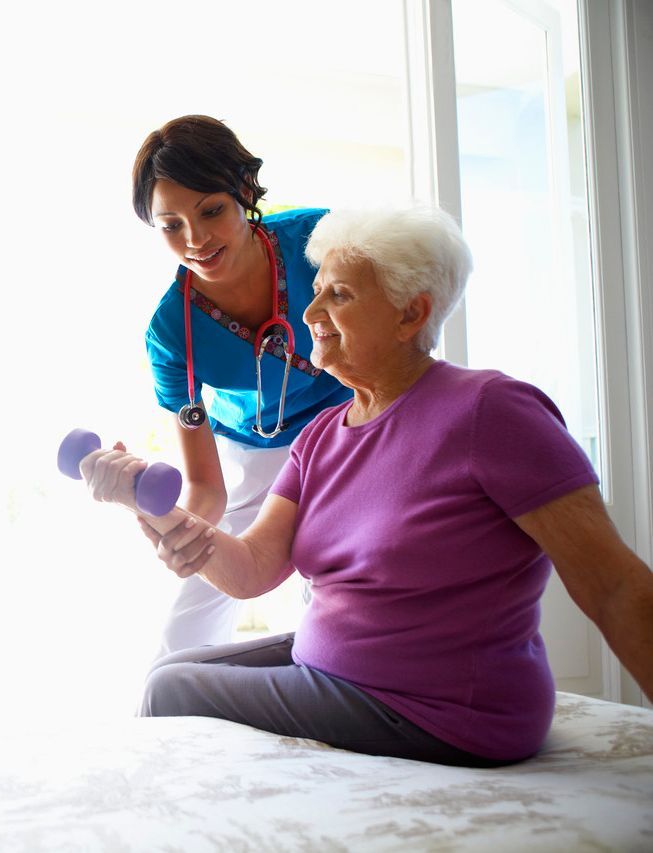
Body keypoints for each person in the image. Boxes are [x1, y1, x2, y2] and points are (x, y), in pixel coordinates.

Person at [81, 204, 653, 767]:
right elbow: (249, 569)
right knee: (167, 673)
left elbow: (614, 587)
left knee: (172, 692)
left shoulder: (492, 411)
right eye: (317, 290)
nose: (310, 313)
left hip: (442, 709)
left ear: (411, 315)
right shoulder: (321, 435)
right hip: (334, 672)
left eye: (340, 295)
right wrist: (145, 501)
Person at [132, 115, 351, 657]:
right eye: (171, 225)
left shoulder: (321, 240)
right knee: (193, 610)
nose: (196, 239)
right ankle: (168, 719)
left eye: (211, 211)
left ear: (245, 193)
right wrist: (182, 535)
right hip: (253, 448)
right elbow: (206, 487)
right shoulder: (171, 332)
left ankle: (331, 691)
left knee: (332, 588)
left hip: (348, 429)